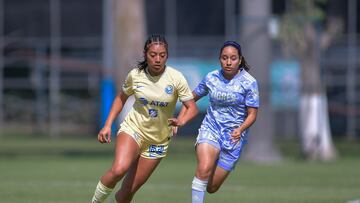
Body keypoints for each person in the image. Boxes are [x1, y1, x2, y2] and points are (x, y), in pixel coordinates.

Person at [91, 34, 198, 203]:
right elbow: (121, 99)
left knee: (127, 192)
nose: (157, 59)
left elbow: (192, 107)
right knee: (119, 169)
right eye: (153, 55)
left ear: (167, 56)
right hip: (134, 130)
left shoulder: (176, 78)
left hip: (158, 141)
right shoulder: (135, 75)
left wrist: (181, 121)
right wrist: (107, 125)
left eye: (162, 55)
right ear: (145, 54)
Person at [180, 41, 259, 203]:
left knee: (212, 187)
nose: (228, 62)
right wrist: (181, 119)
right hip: (211, 129)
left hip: (233, 138)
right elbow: (190, 98)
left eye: (233, 58)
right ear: (219, 59)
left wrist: (241, 129)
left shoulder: (249, 82)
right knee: (203, 169)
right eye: (224, 58)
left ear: (240, 59)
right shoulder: (211, 78)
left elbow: (252, 114)